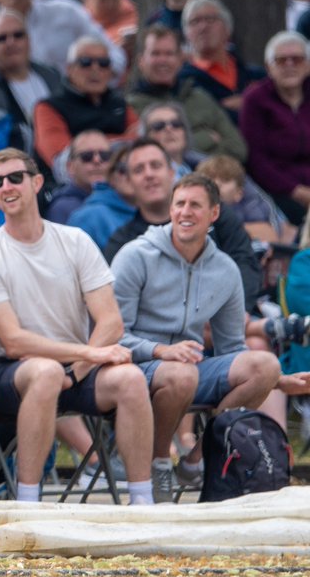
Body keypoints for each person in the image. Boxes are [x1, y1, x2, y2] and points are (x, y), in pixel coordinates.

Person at [0, 147, 156, 504]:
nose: (6, 186)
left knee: (130, 378)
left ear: (37, 182)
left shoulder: (75, 240)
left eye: (15, 178)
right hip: (14, 372)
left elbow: (111, 321)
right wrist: (85, 354)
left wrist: (79, 368)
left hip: (76, 371)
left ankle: (142, 500)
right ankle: (28, 500)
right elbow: (13, 342)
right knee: (46, 373)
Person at [110, 174, 294, 501]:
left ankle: (197, 457)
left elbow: (232, 349)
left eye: (195, 205)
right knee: (181, 373)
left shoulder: (224, 269)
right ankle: (160, 463)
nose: (185, 212)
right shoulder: (135, 256)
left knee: (263, 364)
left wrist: (278, 380)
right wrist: (161, 350)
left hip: (189, 365)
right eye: (179, 204)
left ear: (214, 214)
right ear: (170, 209)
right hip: (134, 364)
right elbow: (111, 336)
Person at [104, 138, 261, 314]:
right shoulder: (123, 242)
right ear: (129, 182)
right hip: (161, 331)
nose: (149, 174)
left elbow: (245, 262)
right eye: (139, 170)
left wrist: (240, 311)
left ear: (172, 172)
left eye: (155, 165)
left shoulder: (214, 213)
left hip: (229, 313)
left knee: (256, 342)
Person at [127, 24, 247, 162]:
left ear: (180, 60)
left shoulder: (199, 96)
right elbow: (154, 153)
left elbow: (238, 148)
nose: (162, 60)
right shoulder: (132, 106)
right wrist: (206, 138)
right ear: (141, 61)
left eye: (169, 54)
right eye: (155, 53)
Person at [32, 37, 138, 170]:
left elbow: (141, 141)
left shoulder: (119, 103)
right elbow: (61, 158)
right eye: (85, 62)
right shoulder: (48, 107)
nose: (95, 69)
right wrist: (122, 141)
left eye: (103, 63)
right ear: (69, 68)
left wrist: (85, 146)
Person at [239, 32, 310, 226]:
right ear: (268, 67)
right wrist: (297, 191)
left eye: (297, 59)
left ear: (307, 65)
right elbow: (256, 160)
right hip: (277, 190)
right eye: (281, 60)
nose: (289, 65)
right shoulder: (255, 100)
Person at [0, 8, 63, 156]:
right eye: (2, 38)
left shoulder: (52, 75)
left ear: (29, 40)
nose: (11, 42)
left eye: (18, 35)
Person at [177, 0, 265, 122]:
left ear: (228, 28)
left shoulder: (256, 75)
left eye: (210, 19)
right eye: (195, 21)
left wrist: (247, 102)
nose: (203, 27)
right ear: (186, 34)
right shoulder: (183, 83)